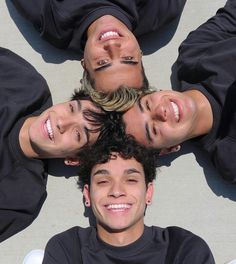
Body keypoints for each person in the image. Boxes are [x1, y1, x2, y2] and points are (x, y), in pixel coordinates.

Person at [0, 47, 119, 243]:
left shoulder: (23, 196)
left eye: (78, 134)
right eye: (72, 108)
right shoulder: (25, 85)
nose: (62, 123)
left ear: (73, 159)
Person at [42, 137, 215, 264]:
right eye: (103, 181)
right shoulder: (69, 249)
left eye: (131, 180)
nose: (116, 191)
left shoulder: (182, 248)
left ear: (148, 192)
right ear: (87, 195)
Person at [122, 0, 236, 184]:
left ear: (155, 92)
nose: (160, 112)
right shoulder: (230, 157)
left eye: (148, 104)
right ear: (169, 149)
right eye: (153, 130)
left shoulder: (192, 55)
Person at [11, 0, 186, 92]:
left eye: (102, 63)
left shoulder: (54, 23)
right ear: (140, 54)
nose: (112, 46)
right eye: (128, 58)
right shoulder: (160, 10)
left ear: (85, 65)